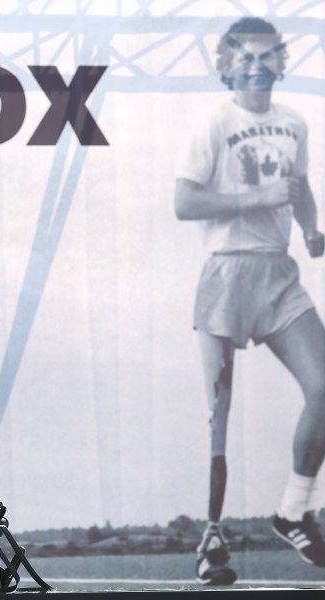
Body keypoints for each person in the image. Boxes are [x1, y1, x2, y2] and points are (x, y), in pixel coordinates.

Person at [175, 16, 325, 585]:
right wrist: (257, 196)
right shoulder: (215, 123)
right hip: (226, 276)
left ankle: (293, 510)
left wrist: (311, 230)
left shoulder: (293, 122)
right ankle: (212, 538)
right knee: (221, 416)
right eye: (246, 57)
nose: (257, 67)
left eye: (268, 56)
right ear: (227, 65)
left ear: (281, 61)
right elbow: (185, 202)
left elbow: (301, 185)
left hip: (277, 275)